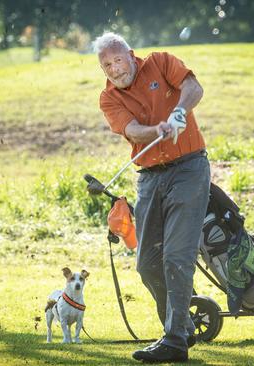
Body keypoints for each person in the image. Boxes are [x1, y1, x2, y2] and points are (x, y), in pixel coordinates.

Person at [94, 32, 211, 363]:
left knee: (177, 256)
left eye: (118, 60)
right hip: (149, 178)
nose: (115, 69)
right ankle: (183, 326)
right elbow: (131, 130)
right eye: (107, 65)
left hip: (189, 169)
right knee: (147, 264)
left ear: (131, 55)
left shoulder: (160, 62)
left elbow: (194, 88)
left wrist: (179, 113)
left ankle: (174, 339)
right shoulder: (108, 99)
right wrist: (158, 129)